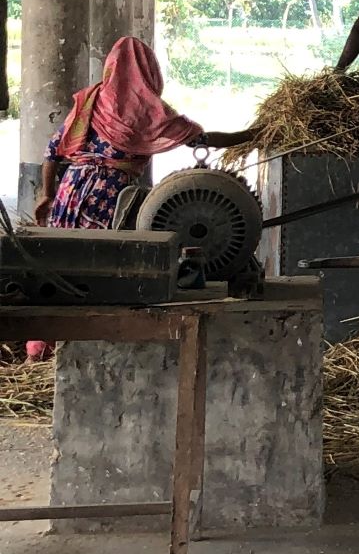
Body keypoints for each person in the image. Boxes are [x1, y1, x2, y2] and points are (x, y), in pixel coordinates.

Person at [26, 38, 253, 358]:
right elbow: (201, 139)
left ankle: (40, 350)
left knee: (61, 266)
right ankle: (86, 347)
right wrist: (252, 135)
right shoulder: (148, 109)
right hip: (109, 198)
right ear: (149, 71)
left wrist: (47, 194)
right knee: (100, 269)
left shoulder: (90, 100)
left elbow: (52, 151)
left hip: (70, 192)